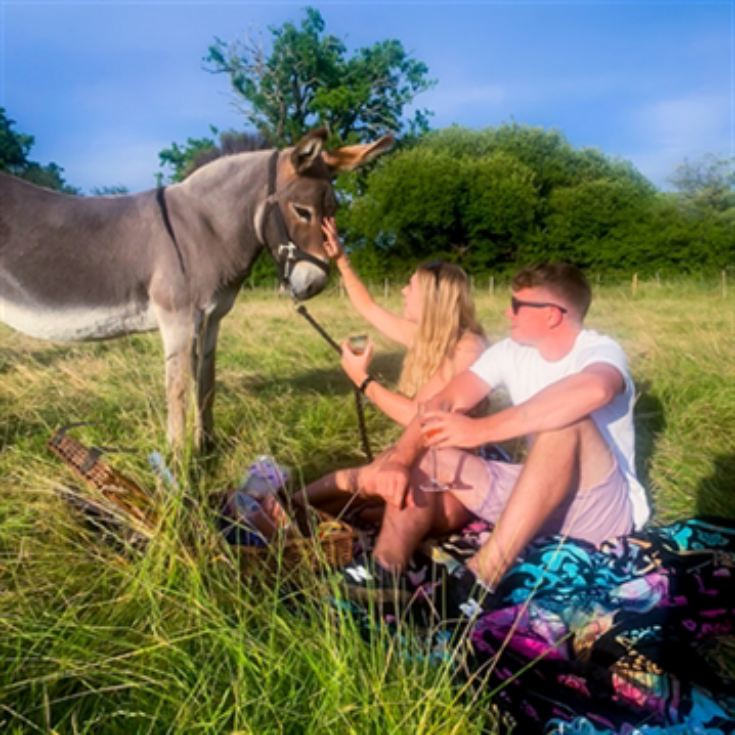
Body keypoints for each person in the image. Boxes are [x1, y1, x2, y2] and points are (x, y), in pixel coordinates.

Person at [353, 262, 650, 593]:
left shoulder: (599, 350)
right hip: (537, 496)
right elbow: (444, 401)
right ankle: (384, 570)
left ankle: (479, 579)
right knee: (429, 453)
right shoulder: (510, 352)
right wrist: (401, 459)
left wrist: (480, 431)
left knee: (566, 423)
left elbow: (596, 390)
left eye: (517, 306)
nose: (508, 314)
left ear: (552, 315)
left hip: (600, 509)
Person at [294, 217, 487, 513]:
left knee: (366, 479)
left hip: (456, 465)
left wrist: (363, 380)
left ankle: (288, 505)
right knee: (364, 484)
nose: (402, 292)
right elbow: (369, 308)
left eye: (410, 287)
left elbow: (417, 415)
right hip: (426, 451)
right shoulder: (429, 336)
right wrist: (342, 260)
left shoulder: (468, 348)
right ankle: (290, 509)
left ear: (432, 300)